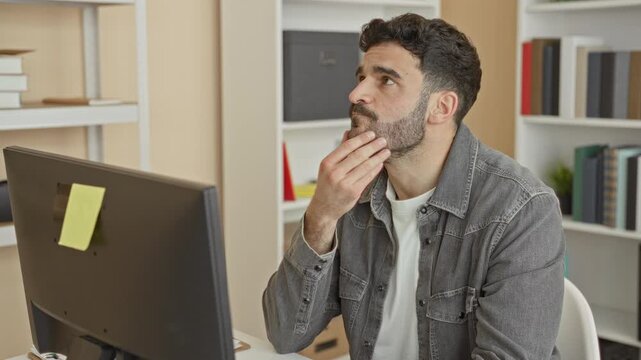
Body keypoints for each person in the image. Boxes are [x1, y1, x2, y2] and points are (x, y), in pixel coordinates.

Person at [263, 13, 564, 360]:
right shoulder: (352, 193)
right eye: (362, 76)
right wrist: (321, 215)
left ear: (441, 107)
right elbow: (285, 334)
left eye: (386, 80)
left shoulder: (522, 210)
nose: (357, 93)